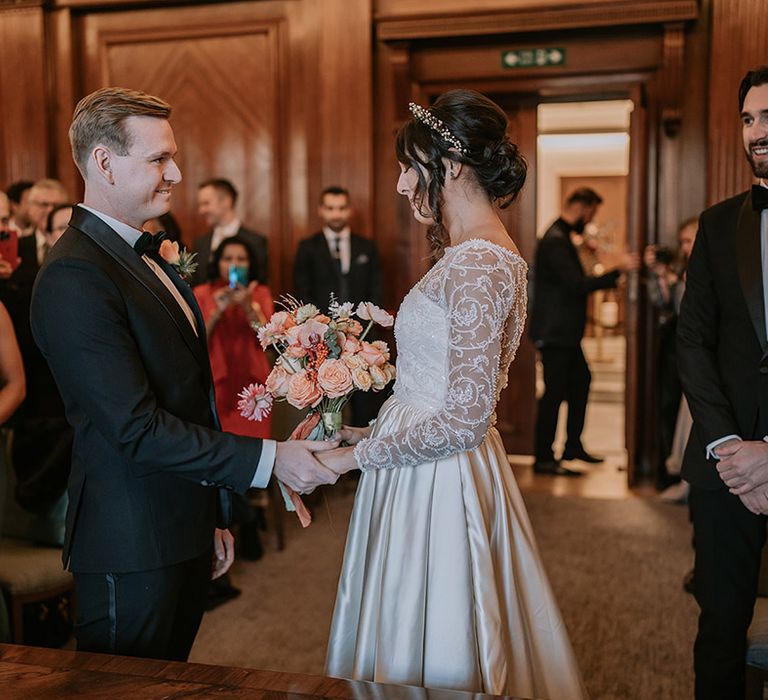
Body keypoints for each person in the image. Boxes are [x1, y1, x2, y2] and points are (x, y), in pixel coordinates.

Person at [29, 86, 338, 661]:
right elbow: (136, 427)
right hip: (131, 541)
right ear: (103, 163)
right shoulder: (75, 274)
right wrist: (270, 462)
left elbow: (189, 398)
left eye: (172, 156)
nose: (176, 173)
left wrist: (211, 516)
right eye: (157, 159)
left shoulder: (144, 251)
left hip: (181, 524)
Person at [318, 90, 586, 699]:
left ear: (454, 165)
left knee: (436, 623)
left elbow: (464, 420)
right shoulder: (476, 256)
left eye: (410, 165)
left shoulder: (478, 265)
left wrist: (349, 460)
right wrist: (366, 433)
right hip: (417, 461)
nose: (400, 183)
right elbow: (440, 396)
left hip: (439, 480)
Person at [677, 65, 768, 699]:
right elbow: (693, 342)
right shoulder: (715, 225)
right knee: (720, 629)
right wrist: (731, 447)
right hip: (724, 466)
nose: (757, 131)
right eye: (748, 118)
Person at [529, 188, 639, 476]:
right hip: (555, 332)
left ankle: (573, 446)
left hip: (564, 333)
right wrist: (618, 272)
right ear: (581, 206)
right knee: (553, 393)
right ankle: (543, 458)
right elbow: (576, 284)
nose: (590, 219)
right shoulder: (555, 240)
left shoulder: (563, 236)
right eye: (591, 212)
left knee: (581, 381)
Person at [293, 186, 385, 426]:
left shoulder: (367, 247)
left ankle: (359, 457)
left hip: (361, 337)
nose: (336, 214)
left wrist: (365, 331)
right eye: (331, 208)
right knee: (324, 406)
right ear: (321, 211)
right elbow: (302, 293)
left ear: (349, 210)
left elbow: (376, 291)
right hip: (320, 340)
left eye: (341, 208)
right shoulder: (308, 247)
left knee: (364, 405)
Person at [193, 236, 274, 439]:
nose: (234, 264)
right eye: (228, 258)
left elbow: (268, 339)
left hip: (254, 384)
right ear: (217, 262)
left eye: (241, 259)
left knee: (257, 445)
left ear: (250, 264)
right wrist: (217, 311)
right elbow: (197, 340)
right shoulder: (202, 293)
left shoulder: (260, 293)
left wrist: (249, 307)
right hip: (217, 383)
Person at [644, 217, 697, 491]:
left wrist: (676, 282)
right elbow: (661, 302)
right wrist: (660, 276)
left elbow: (683, 307)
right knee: (666, 404)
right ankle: (668, 468)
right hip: (672, 344)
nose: (685, 248)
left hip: (693, 346)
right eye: (682, 242)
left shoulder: (703, 268)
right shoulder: (678, 268)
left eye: (689, 241)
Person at [190, 178, 268, 286]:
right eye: (200, 205)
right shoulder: (200, 244)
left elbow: (258, 285)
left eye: (206, 203)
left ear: (226, 201)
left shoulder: (255, 241)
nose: (201, 210)